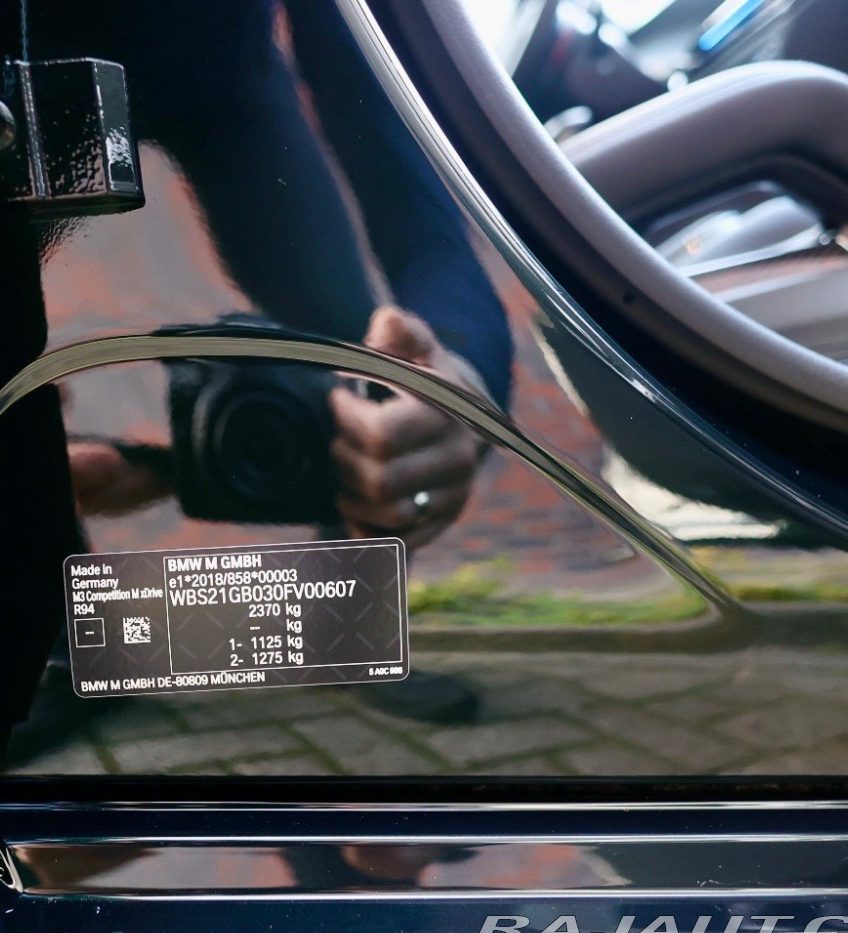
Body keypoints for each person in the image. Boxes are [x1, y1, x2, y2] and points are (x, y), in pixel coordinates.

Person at [54, 0, 514, 549]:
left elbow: (414, 202)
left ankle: (352, 584)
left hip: (226, 89)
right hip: (11, 104)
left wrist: (453, 390)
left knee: (364, 387)